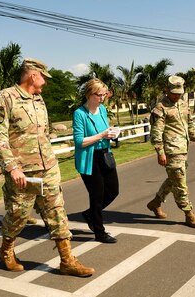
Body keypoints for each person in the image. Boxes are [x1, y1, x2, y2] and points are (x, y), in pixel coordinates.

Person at [0, 58, 94, 277]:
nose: (45, 83)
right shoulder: (5, 98)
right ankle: (6, 250)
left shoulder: (38, 100)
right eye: (43, 78)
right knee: (18, 214)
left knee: (57, 211)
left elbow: (43, 134)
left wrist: (51, 160)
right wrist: (12, 168)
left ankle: (67, 261)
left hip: (47, 168)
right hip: (22, 172)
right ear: (33, 75)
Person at [147, 75, 195, 228]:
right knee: (180, 182)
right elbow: (156, 132)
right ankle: (189, 214)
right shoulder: (160, 108)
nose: (177, 95)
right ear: (167, 90)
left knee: (174, 178)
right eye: (174, 93)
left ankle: (156, 202)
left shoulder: (183, 104)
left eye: (179, 93)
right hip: (171, 150)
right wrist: (160, 152)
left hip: (183, 149)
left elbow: (190, 123)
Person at [72, 78, 120, 244]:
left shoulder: (103, 110)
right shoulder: (80, 114)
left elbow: (105, 130)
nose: (102, 98)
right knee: (97, 196)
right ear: (89, 95)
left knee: (113, 191)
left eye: (104, 95)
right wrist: (102, 135)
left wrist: (112, 134)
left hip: (105, 155)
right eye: (99, 95)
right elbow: (79, 141)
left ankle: (89, 214)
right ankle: (99, 232)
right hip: (89, 158)